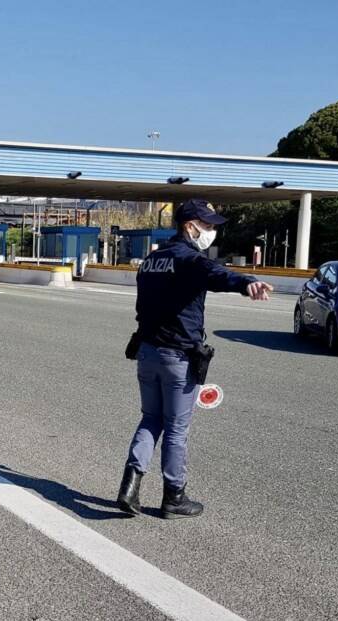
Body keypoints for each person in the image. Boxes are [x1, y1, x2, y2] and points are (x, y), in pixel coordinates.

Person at [116, 199, 273, 519]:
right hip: (177, 357)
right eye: (209, 225)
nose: (212, 231)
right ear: (190, 226)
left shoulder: (152, 260)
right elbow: (217, 274)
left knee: (150, 419)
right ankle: (174, 497)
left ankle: (129, 487)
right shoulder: (189, 259)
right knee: (176, 428)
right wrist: (247, 283)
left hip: (147, 352)